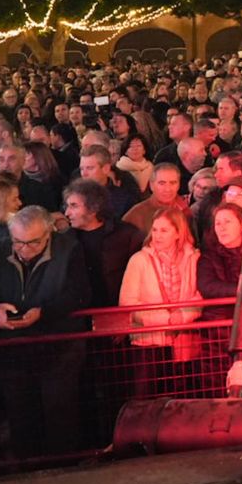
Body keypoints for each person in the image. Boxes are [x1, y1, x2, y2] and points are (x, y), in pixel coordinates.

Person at [0, 206, 91, 457]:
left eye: (33, 243)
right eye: (18, 242)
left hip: (58, 347)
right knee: (20, 415)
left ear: (48, 234)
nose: (24, 250)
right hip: (12, 349)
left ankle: (62, 471)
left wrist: (44, 312)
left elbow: (79, 294)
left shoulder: (69, 250)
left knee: (60, 414)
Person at [118, 207, 202, 397]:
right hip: (148, 342)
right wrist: (163, 320)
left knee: (181, 400)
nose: (157, 235)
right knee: (146, 398)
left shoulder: (193, 258)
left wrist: (181, 317)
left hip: (183, 343)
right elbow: (127, 302)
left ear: (178, 233)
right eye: (155, 230)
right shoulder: (139, 260)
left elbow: (199, 297)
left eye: (164, 230)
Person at [62, 178, 143, 308]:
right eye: (67, 206)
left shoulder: (127, 235)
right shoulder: (65, 240)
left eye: (74, 206)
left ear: (94, 208)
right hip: (79, 315)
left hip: (117, 310)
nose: (67, 213)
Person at [123, 162, 189, 235]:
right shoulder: (136, 215)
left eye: (173, 183)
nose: (167, 189)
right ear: (151, 185)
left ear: (179, 185)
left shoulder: (185, 210)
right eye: (162, 183)